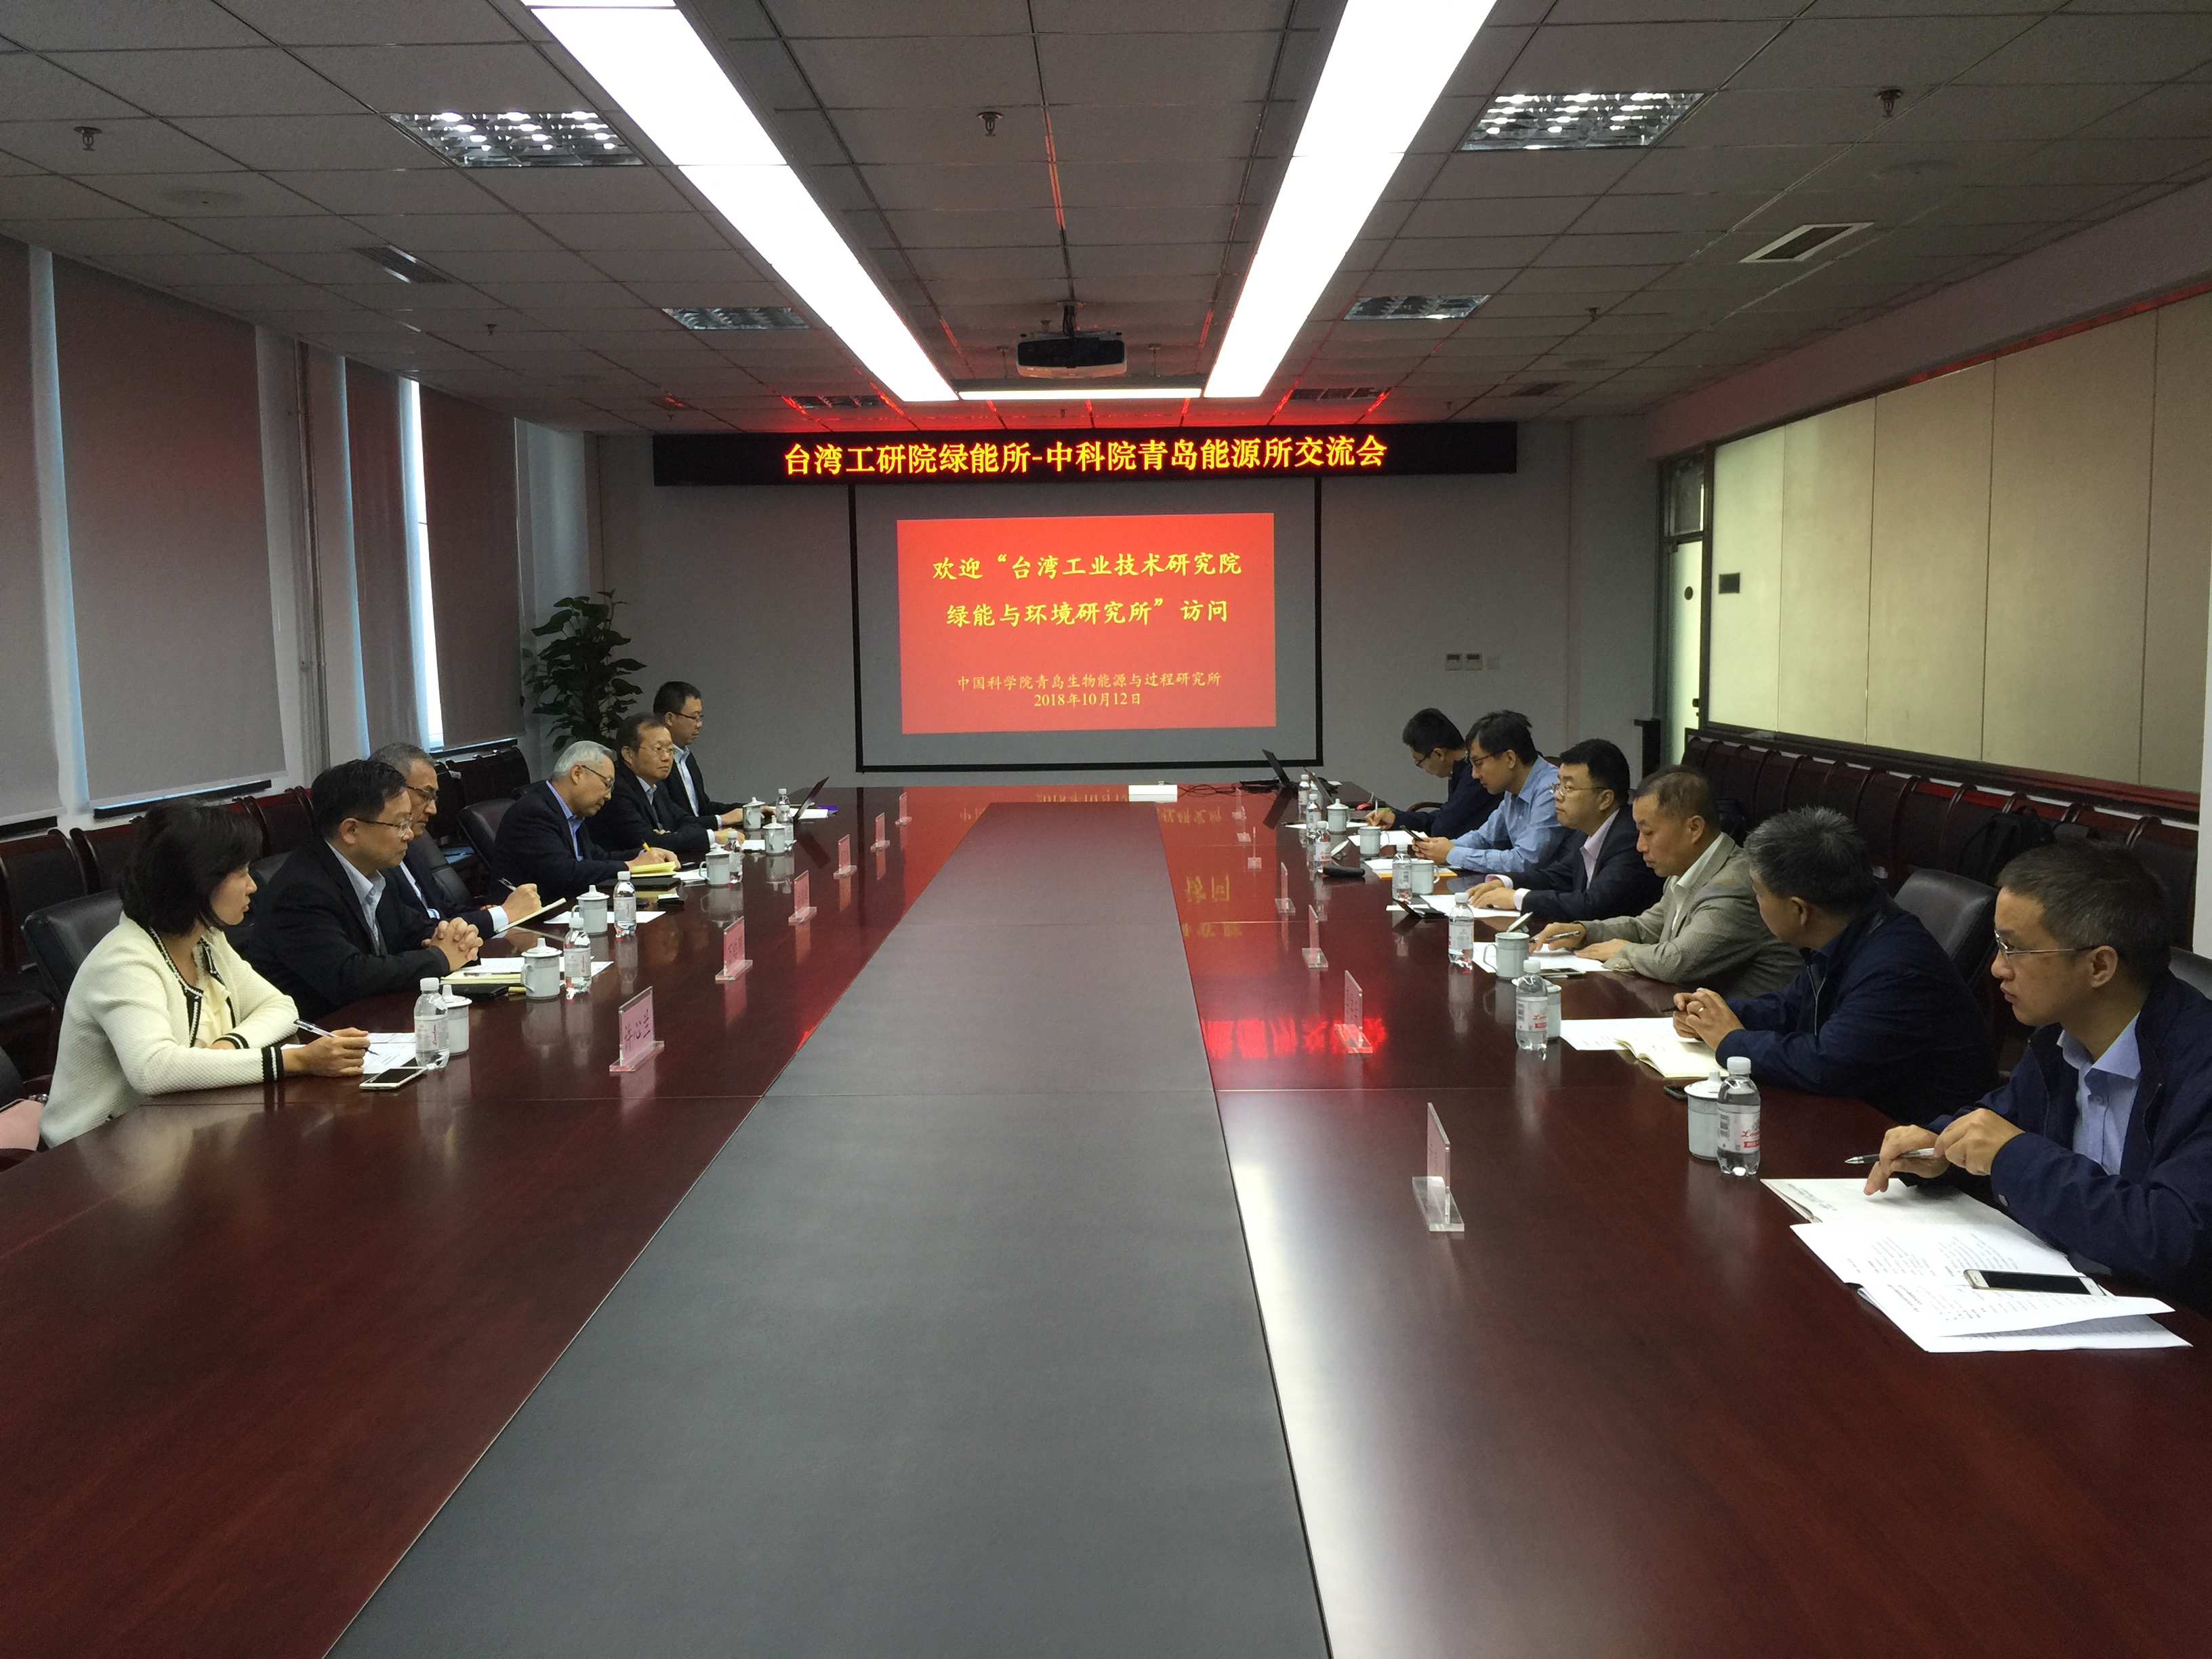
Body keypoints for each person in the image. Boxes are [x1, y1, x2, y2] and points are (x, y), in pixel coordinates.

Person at [1867, 843, 2212, 1307]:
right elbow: (2002, 1120)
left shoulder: (2199, 1062)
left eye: (2015, 949)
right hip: (2070, 1294)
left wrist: (2012, 1155)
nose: (1997, 968)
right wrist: (1939, 1147)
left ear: (2099, 966)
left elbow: (2171, 1236)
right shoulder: (2059, 1036)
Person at [43, 804, 368, 1144]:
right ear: (198, 880)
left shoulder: (205, 939)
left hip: (178, 1129)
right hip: (97, 1150)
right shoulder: (124, 961)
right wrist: (296, 1060)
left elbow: (282, 1008)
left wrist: (230, 1046)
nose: (252, 886)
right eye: (240, 873)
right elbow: (154, 1070)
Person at [1671, 807, 1992, 1121]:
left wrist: (1732, 1041)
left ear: (1799, 910)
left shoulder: (1897, 968)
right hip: (1854, 1113)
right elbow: (1792, 1009)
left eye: (1759, 893)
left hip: (1910, 1137)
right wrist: (1714, 1016)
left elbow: (1828, 1065)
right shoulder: (1850, 925)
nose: (1757, 903)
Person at [1533, 765, 1799, 996]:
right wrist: (1583, 931)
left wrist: (1624, 951)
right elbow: (1646, 929)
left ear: (1694, 828)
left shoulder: (1734, 886)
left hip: (1751, 1027)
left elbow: (1676, 962)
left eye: (1648, 833)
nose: (1640, 846)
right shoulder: (1685, 869)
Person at [247, 759, 483, 1020]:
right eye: (400, 825)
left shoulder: (377, 870)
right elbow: (350, 976)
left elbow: (413, 930)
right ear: (350, 830)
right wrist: (440, 958)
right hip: (320, 1032)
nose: (408, 835)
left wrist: (456, 938)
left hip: (376, 1020)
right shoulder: (301, 891)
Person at [1462, 737, 1658, 925]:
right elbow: (1556, 877)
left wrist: (1518, 898)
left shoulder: (1629, 839)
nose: (1557, 795)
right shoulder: (1586, 831)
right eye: (1558, 785)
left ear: (1605, 799)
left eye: (1568, 788)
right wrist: (1506, 882)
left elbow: (1592, 905)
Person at [371, 741, 541, 937]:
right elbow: (417, 933)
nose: (433, 810)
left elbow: (445, 911)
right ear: (391, 791)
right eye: (425, 796)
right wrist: (503, 914)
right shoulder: (375, 858)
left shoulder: (414, 846)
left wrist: (488, 914)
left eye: (434, 798)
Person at [495, 740, 672, 901]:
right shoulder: (533, 813)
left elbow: (597, 857)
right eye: (607, 784)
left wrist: (643, 856)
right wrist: (629, 866)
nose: (609, 796)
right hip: (533, 918)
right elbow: (565, 873)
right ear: (577, 773)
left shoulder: (572, 813)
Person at [1418, 710, 1563, 880]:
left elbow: (1524, 862)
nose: (1474, 775)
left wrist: (1452, 854)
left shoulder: (1551, 790)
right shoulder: (1513, 789)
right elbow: (1485, 837)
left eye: (1478, 764)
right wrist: (1442, 847)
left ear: (1510, 759)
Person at [596, 712, 713, 863]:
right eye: (658, 749)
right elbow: (647, 842)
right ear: (628, 754)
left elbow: (686, 821)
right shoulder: (617, 789)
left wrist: (668, 836)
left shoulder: (657, 785)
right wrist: (711, 837)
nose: (666, 758)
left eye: (670, 750)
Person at [1364, 708, 1497, 839]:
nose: (1421, 767)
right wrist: (1397, 819)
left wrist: (1401, 819)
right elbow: (1445, 816)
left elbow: (1442, 828)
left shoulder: (1474, 777)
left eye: (1419, 761)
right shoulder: (1459, 770)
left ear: (1439, 754)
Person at [655, 680, 743, 830]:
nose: (699, 725)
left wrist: (748, 810)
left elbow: (703, 808)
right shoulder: (657, 763)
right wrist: (722, 820)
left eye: (700, 718)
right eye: (694, 718)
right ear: (670, 718)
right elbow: (674, 820)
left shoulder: (687, 758)